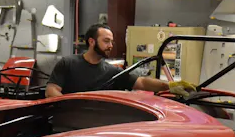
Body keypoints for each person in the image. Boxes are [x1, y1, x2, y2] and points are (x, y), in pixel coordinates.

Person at [46, 24, 196, 98]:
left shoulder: (112, 72)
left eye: (112, 42)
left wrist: (169, 85)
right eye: (106, 41)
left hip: (96, 125)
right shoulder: (68, 63)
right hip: (67, 125)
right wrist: (71, 106)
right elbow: (51, 90)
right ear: (91, 42)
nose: (110, 46)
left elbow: (142, 82)